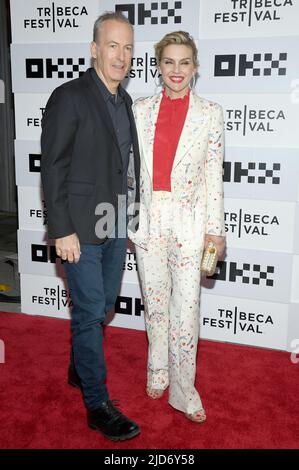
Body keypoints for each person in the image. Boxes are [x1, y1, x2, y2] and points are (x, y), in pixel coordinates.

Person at [41, 12, 140, 441]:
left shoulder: (126, 101)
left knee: (101, 309)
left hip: (116, 220)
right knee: (87, 315)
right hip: (79, 228)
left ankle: (80, 366)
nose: (121, 56)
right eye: (113, 45)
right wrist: (61, 229)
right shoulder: (70, 96)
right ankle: (98, 405)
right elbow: (54, 167)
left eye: (128, 48)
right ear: (94, 49)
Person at [129, 31, 225, 423]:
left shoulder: (210, 113)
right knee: (155, 306)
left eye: (184, 62)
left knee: (186, 309)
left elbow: (213, 177)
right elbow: (129, 171)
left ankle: (184, 391)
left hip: (190, 223)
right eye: (169, 62)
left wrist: (215, 231)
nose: (176, 70)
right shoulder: (139, 109)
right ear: (158, 65)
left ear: (195, 67)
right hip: (149, 220)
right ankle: (157, 369)